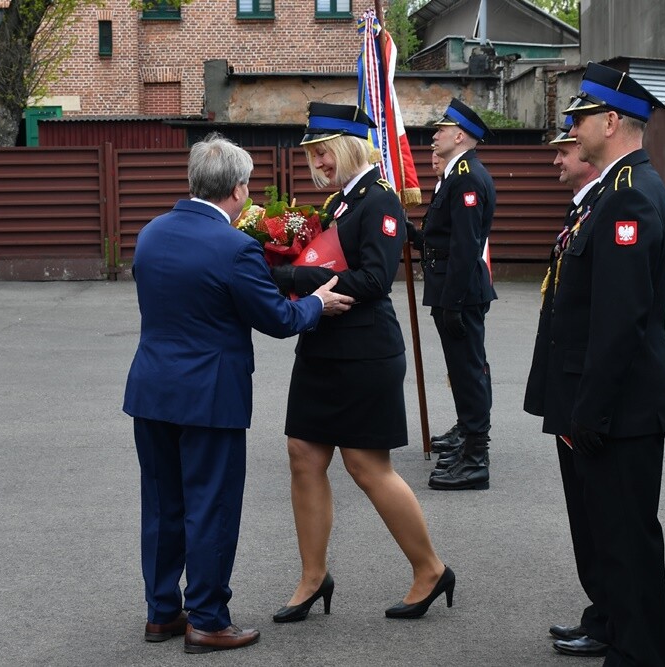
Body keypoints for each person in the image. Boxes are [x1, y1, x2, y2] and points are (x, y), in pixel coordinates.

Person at [123, 133, 354, 654]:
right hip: (210, 396)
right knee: (210, 506)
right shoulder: (234, 247)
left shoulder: (151, 233)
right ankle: (207, 618)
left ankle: (162, 612)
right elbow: (276, 318)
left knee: (161, 505)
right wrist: (317, 303)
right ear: (237, 189)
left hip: (152, 389)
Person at [268, 102, 453, 622]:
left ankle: (430, 569)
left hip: (365, 351)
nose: (318, 162)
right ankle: (312, 577)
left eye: (324, 151)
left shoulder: (380, 200)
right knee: (303, 454)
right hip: (323, 345)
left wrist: (293, 279)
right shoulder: (341, 203)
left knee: (367, 466)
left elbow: (374, 279)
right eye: (312, 155)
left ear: (350, 146)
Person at [544, 61, 665, 667]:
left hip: (619, 408)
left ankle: (639, 654)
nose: (573, 128)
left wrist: (590, 410)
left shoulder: (631, 197)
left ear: (612, 121)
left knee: (626, 543)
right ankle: (622, 639)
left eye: (581, 117)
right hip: (607, 402)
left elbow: (620, 320)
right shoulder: (616, 190)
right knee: (611, 539)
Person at [522, 115, 609, 659]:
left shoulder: (610, 205)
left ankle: (610, 618)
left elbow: (612, 318)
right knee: (586, 513)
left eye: (566, 149)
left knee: (601, 514)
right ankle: (601, 611)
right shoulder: (584, 209)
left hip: (586, 389)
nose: (557, 158)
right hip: (568, 381)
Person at [423, 98, 498, 491]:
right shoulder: (457, 174)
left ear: (460, 135)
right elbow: (444, 237)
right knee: (464, 369)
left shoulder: (466, 177)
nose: (434, 136)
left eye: (441, 129)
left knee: (468, 372)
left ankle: (475, 457)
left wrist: (451, 303)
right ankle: (467, 437)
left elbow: (466, 247)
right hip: (453, 289)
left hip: (460, 293)